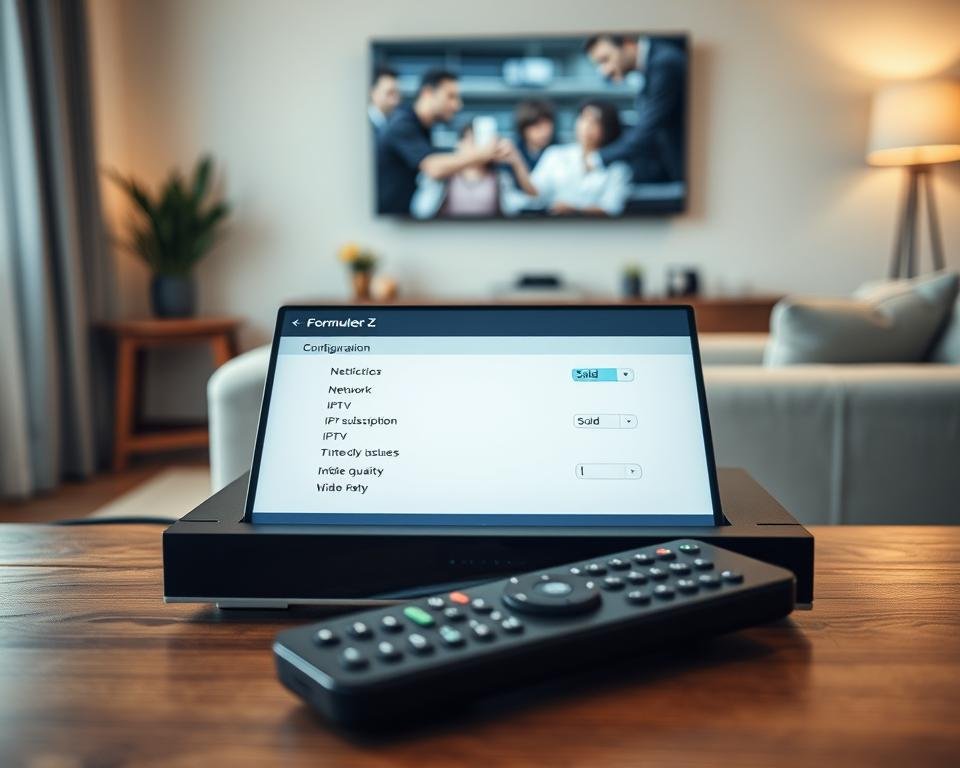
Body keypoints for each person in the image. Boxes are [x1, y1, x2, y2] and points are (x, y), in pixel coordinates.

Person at [376, 69, 533, 215]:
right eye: (450, 96)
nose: (457, 105)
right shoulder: (402, 125)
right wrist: (485, 153)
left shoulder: (424, 128)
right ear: (428, 93)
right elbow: (433, 168)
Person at [583, 34, 686, 183]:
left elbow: (649, 128)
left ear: (628, 43)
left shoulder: (664, 64)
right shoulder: (652, 65)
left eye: (605, 60)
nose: (605, 71)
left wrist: (598, 159)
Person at [503, 100, 632, 217]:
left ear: (608, 128)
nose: (587, 127)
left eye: (595, 122)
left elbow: (611, 208)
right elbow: (536, 193)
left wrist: (575, 209)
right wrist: (517, 162)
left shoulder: (618, 167)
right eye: (584, 119)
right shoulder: (556, 154)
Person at [410, 123, 534, 219]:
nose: (478, 148)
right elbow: (420, 211)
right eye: (471, 141)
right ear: (459, 144)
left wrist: (517, 161)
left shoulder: (500, 179)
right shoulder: (443, 178)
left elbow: (528, 205)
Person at [513, 99, 555, 171]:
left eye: (547, 125)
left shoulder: (559, 152)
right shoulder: (514, 151)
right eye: (537, 126)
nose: (545, 132)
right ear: (524, 129)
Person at [368, 66, 401, 137]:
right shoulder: (360, 125)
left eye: (397, 93)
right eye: (390, 93)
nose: (396, 100)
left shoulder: (397, 124)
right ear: (373, 93)